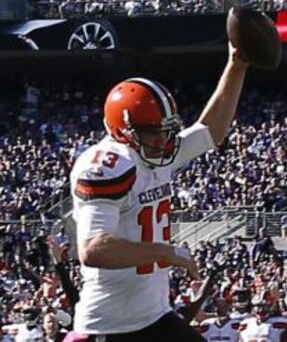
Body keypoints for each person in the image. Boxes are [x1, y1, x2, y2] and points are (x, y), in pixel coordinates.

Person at [70, 41, 248, 342]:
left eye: (166, 131)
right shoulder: (108, 164)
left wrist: (237, 64)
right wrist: (168, 253)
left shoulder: (155, 151)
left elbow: (211, 131)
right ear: (124, 132)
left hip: (155, 316)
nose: (165, 141)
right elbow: (94, 249)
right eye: (154, 133)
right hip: (109, 328)